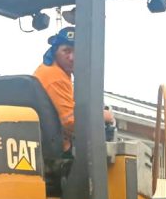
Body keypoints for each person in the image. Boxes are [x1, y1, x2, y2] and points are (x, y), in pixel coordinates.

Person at [33, 26, 114, 154]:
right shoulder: (56, 76)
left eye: (77, 52)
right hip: (57, 153)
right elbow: (71, 122)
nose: (72, 58)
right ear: (55, 50)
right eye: (66, 51)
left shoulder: (54, 70)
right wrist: (102, 116)